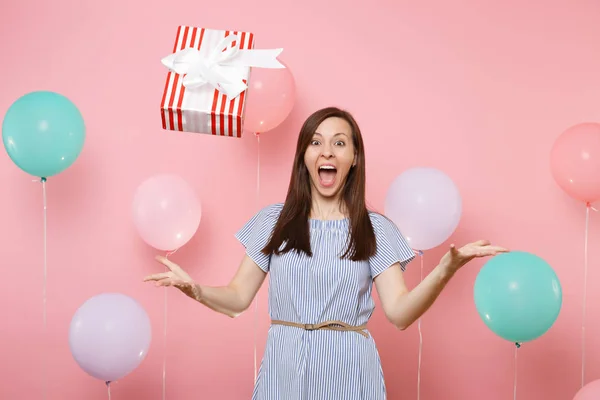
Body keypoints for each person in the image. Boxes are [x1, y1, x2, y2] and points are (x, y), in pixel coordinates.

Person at [143, 106, 509, 399]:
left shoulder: (375, 229)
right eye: (315, 142)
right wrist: (196, 290)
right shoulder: (275, 222)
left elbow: (399, 313)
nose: (326, 151)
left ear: (354, 158)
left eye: (339, 143)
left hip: (350, 374)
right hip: (283, 372)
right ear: (304, 155)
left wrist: (447, 267)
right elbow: (238, 298)